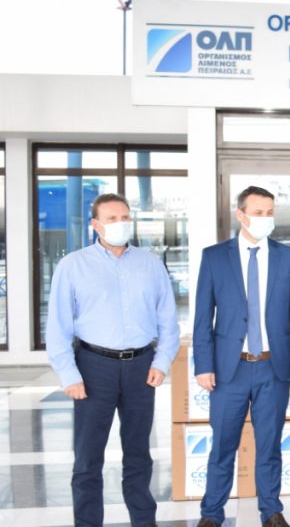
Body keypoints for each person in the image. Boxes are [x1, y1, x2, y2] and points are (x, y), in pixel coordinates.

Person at [46, 193, 180, 527]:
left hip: (141, 367)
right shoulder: (73, 266)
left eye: (124, 218)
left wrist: (161, 362)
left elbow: (168, 320)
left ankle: (144, 522)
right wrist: (69, 374)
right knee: (88, 459)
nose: (120, 224)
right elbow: (58, 326)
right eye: (111, 219)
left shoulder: (151, 264)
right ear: (95, 225)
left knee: (139, 456)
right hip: (94, 368)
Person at [193, 186, 290, 527]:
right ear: (241, 215)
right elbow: (202, 317)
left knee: (270, 445)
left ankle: (271, 511)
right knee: (222, 446)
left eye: (269, 212)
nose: (265, 218)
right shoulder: (215, 257)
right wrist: (203, 365)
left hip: (273, 368)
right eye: (258, 212)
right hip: (228, 371)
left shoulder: (287, 257)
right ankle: (211, 514)